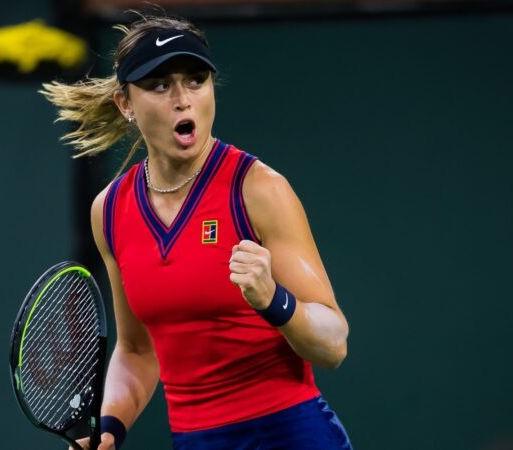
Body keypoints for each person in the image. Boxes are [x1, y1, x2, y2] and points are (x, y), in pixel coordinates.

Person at [42, 11, 352, 450]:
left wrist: (274, 299)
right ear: (125, 104)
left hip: (292, 437)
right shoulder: (109, 211)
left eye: (195, 80)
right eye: (160, 85)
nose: (183, 99)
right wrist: (108, 426)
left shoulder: (260, 190)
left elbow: (334, 343)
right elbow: (137, 351)